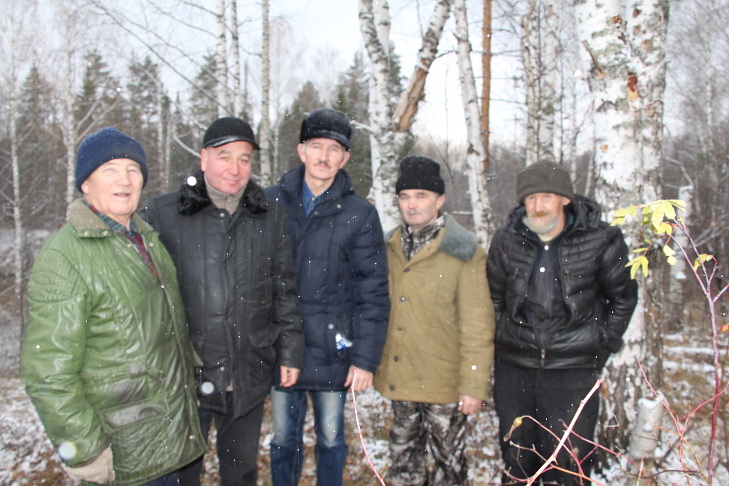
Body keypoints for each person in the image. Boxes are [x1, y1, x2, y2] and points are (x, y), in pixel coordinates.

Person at [20, 127, 206, 486]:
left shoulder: (147, 240)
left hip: (170, 437)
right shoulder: (65, 255)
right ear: (85, 183)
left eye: (133, 169)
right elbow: (47, 370)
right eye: (109, 169)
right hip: (123, 452)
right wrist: (85, 449)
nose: (124, 179)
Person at [142, 117, 304, 486]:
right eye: (224, 156)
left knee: (241, 472)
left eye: (244, 159)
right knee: (181, 473)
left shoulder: (269, 216)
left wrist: (291, 351)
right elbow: (147, 297)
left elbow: (284, 289)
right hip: (187, 374)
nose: (235, 168)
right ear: (203, 158)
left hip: (248, 370)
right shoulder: (164, 214)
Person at [487, 161, 639, 485]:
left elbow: (623, 298)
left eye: (546, 197)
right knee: (517, 460)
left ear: (565, 199)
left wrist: (601, 344)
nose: (538, 206)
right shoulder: (506, 240)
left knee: (570, 465)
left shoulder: (601, 239)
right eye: (530, 198)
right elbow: (495, 297)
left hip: (573, 372)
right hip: (515, 370)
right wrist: (505, 337)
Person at [264, 108, 390, 486]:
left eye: (334, 149)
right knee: (283, 438)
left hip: (334, 350)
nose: (324, 156)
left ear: (345, 158)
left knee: (332, 438)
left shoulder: (360, 214)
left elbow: (373, 291)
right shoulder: (269, 203)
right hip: (282, 347)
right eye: (316, 146)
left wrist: (364, 359)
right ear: (301, 151)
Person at [373, 155, 495, 486]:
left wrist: (473, 384)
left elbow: (477, 324)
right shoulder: (388, 246)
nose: (412, 205)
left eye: (421, 196)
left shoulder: (462, 250)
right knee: (403, 466)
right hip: (401, 378)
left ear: (439, 200)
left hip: (444, 385)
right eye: (405, 196)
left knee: (449, 469)